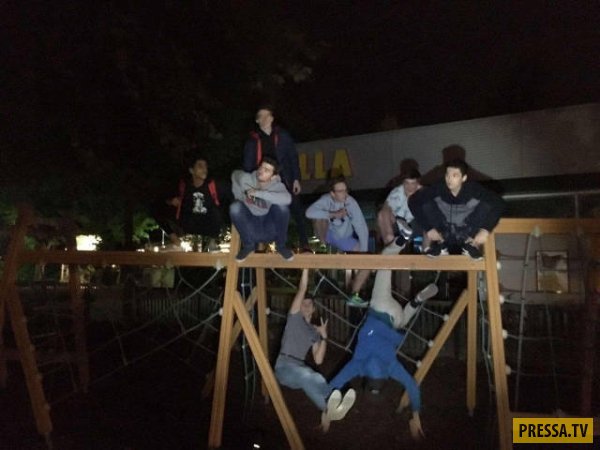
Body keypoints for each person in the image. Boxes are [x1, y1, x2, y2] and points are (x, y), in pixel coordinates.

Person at [328, 240, 438, 440]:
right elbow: (334, 383)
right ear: (365, 382)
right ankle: (401, 239)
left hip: (396, 319)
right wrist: (325, 409)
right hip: (380, 306)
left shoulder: (390, 369)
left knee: (403, 321)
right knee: (386, 258)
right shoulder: (359, 365)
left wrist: (416, 414)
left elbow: (412, 386)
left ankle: (416, 302)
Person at [275, 269, 356, 432]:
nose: (305, 306)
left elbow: (318, 360)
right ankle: (329, 406)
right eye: (303, 304)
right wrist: (306, 268)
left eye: (309, 304)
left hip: (299, 368)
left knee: (314, 377)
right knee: (307, 375)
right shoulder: (294, 318)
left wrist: (324, 337)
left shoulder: (314, 332)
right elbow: (302, 288)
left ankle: (331, 408)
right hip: (284, 367)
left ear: (313, 309)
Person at [242, 106, 310, 252]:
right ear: (257, 120)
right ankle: (259, 247)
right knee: (260, 210)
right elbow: (248, 165)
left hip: (285, 179)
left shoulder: (283, 135)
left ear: (272, 118)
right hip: (263, 182)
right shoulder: (253, 140)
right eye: (261, 116)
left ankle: (305, 244)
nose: (265, 118)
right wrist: (250, 184)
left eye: (267, 115)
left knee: (296, 209)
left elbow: (292, 157)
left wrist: (296, 179)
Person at [408, 158, 505, 260]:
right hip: (443, 231)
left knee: (486, 205)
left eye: (454, 176)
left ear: (464, 178)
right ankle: (440, 244)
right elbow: (413, 201)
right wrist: (429, 228)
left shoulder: (473, 189)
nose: (449, 179)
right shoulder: (439, 187)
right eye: (447, 175)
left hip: (466, 231)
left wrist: (485, 230)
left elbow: (499, 203)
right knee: (426, 203)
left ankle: (471, 245)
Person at [305, 175, 371, 307]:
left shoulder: (351, 203)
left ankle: (354, 295)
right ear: (332, 193)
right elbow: (309, 213)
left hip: (345, 238)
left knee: (369, 262)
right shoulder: (325, 200)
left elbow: (362, 228)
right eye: (340, 191)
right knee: (318, 217)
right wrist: (334, 214)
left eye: (346, 190)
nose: (344, 194)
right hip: (328, 235)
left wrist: (363, 255)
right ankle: (323, 247)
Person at [156, 155, 230, 251]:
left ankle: (212, 242)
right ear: (191, 170)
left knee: (222, 211)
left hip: (209, 226)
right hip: (190, 226)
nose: (204, 169)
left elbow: (230, 196)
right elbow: (162, 199)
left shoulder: (214, 185)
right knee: (156, 208)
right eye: (200, 166)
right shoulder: (184, 187)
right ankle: (176, 240)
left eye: (205, 166)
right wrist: (171, 201)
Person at [230, 156, 295, 262]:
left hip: (270, 228)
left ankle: (281, 246)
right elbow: (235, 174)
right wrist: (239, 195)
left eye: (267, 170)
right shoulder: (247, 179)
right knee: (235, 207)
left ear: (273, 177)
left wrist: (258, 193)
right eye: (261, 167)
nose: (261, 171)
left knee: (282, 207)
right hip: (251, 227)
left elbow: (288, 199)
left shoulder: (277, 186)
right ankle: (248, 245)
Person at [377, 168, 422, 247]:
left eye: (413, 183)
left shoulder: (424, 192)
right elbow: (386, 209)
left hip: (416, 224)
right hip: (399, 224)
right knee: (382, 214)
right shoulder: (397, 192)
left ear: (417, 183)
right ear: (403, 183)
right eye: (406, 183)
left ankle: (400, 239)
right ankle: (390, 240)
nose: (410, 187)